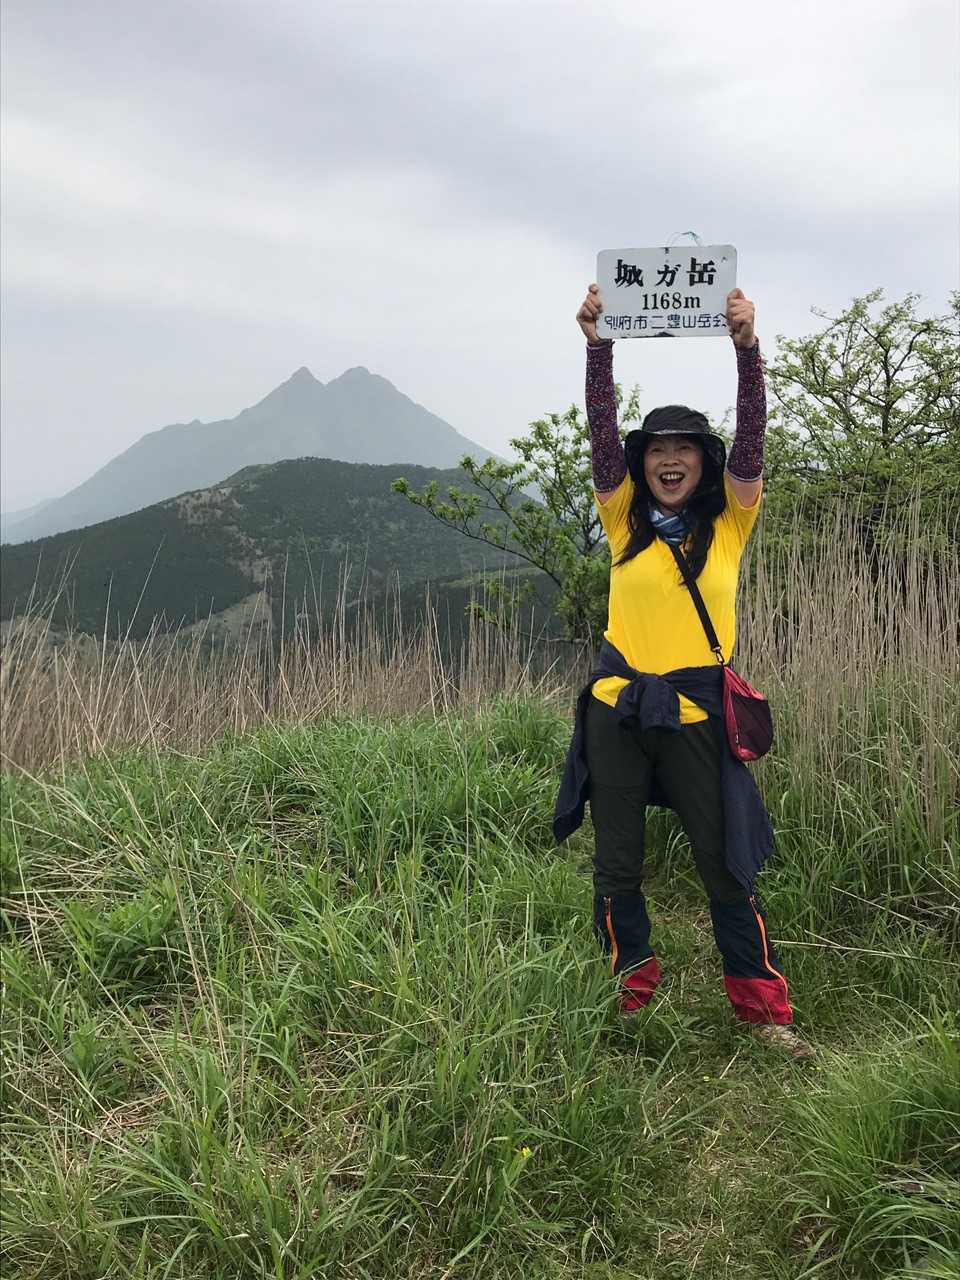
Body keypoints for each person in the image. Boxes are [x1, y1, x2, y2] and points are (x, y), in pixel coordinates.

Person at [553, 283, 813, 1059]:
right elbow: (601, 431)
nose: (669, 460)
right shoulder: (622, 518)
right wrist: (598, 348)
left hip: (699, 712)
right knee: (617, 865)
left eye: (685, 449)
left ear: (705, 461)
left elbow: (754, 438)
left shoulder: (730, 523)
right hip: (618, 710)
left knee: (725, 867)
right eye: (657, 450)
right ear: (644, 463)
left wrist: (747, 350)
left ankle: (764, 1016)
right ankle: (631, 999)